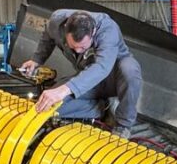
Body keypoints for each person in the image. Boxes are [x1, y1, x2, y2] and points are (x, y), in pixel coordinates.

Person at [19, 9, 142, 139]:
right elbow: (47, 37)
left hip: (113, 78)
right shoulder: (56, 21)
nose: (78, 51)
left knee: (130, 70)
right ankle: (102, 108)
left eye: (82, 48)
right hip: (86, 79)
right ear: (65, 30)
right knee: (49, 106)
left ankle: (123, 125)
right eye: (73, 47)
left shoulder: (108, 29)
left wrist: (64, 90)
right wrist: (36, 60)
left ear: (93, 32)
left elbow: (102, 67)